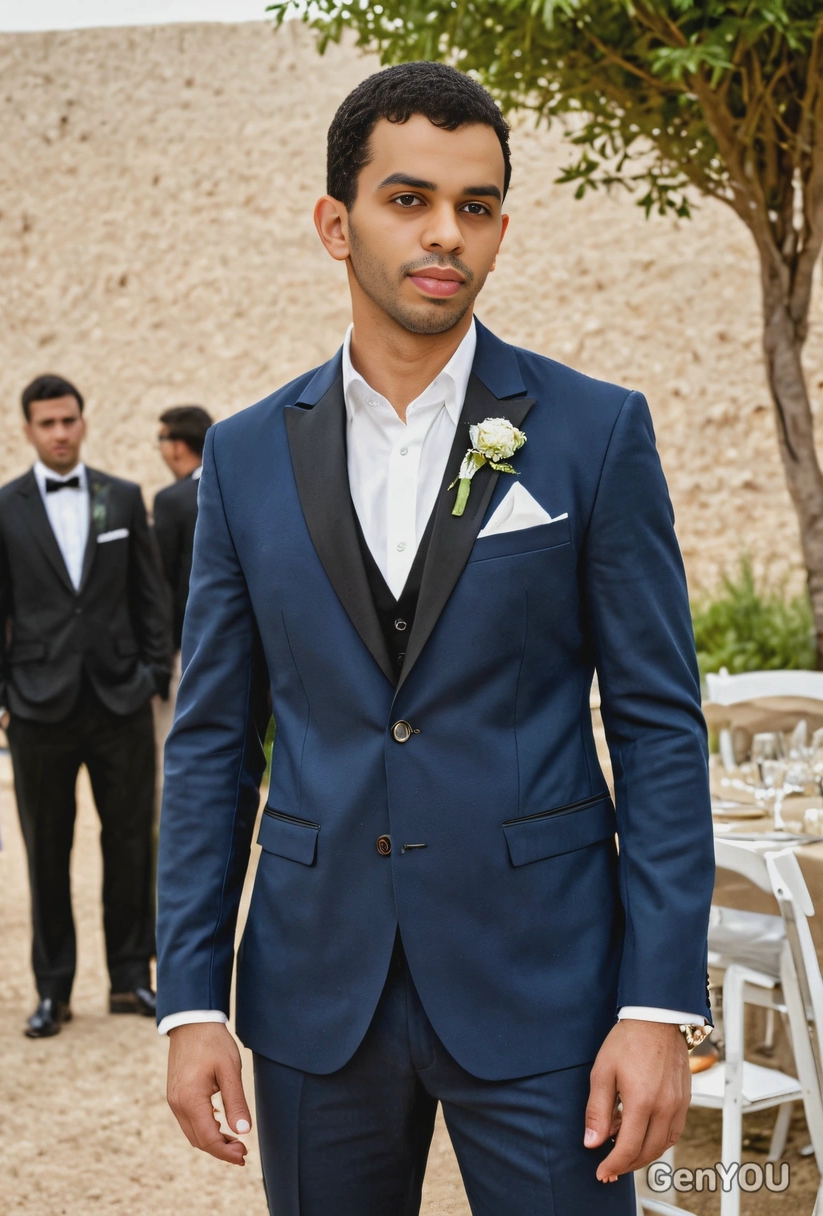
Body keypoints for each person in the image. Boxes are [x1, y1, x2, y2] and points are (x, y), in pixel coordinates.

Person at [157, 63, 714, 1214]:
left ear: (501, 227)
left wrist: (656, 1005)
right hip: (317, 995)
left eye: (475, 206)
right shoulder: (248, 456)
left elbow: (658, 725)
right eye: (408, 199)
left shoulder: (596, 433)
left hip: (547, 983)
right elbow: (212, 740)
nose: (444, 235)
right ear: (334, 221)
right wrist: (191, 999)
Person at [0, 374, 171, 1038]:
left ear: (84, 422)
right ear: (28, 430)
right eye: (47, 423)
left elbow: (149, 595)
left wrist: (155, 671)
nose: (61, 432)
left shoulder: (121, 498)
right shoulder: (2, 508)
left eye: (69, 420)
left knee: (130, 843)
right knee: (47, 850)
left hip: (120, 698)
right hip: (37, 708)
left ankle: (130, 980)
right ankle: (53, 989)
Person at [153, 406, 213, 652]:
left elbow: (160, 579)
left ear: (177, 446)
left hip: (189, 639)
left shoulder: (171, 500)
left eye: (161, 442)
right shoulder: (235, 487)